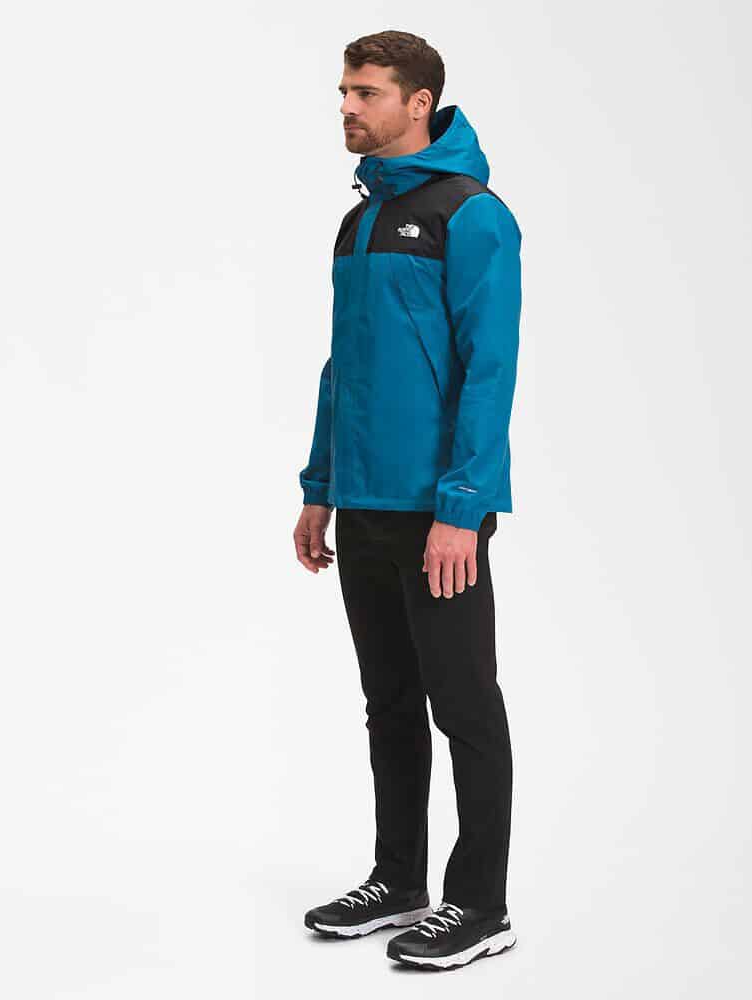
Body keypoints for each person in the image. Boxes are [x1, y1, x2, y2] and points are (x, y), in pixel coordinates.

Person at [293, 30, 522, 971]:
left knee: (463, 705)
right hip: (363, 504)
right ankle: (399, 880)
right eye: (343, 91)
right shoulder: (358, 222)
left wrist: (462, 507)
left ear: (418, 102)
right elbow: (343, 367)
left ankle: (481, 905)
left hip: (439, 514)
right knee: (388, 702)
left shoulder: (473, 215)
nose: (347, 106)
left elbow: (490, 370)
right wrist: (320, 488)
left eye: (366, 92)